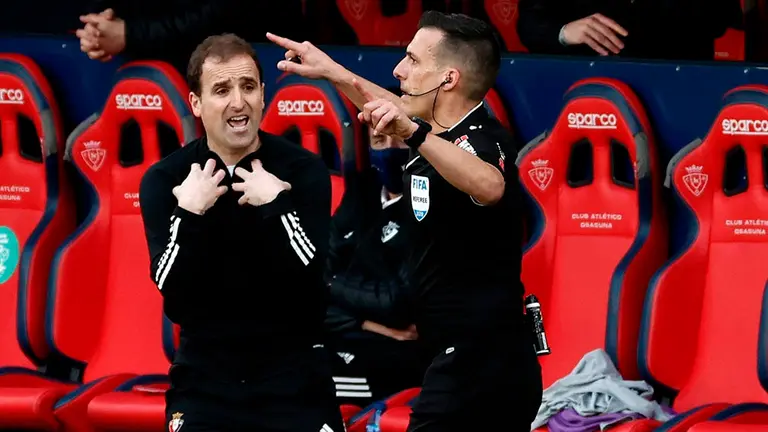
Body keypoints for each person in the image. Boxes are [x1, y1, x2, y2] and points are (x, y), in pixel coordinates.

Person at [268, 10, 543, 431]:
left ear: (447, 79)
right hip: (456, 357)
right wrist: (335, 73)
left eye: (413, 61)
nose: (399, 69)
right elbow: (395, 108)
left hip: (485, 362)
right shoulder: (440, 131)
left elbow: (489, 185)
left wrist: (413, 133)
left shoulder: (485, 139)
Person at [138, 34, 343, 432]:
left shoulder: (303, 171)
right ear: (196, 103)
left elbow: (314, 279)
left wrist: (276, 207)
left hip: (294, 378)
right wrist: (188, 214)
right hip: (206, 381)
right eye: (221, 89)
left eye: (248, 86)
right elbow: (172, 291)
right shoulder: (166, 180)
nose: (238, 102)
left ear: (263, 95)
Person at [324, 111, 427, 406]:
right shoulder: (361, 191)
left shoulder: (428, 203)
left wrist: (331, 286)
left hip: (402, 357)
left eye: (400, 140)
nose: (389, 150)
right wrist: (371, 324)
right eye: (379, 141)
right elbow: (310, 282)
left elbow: (399, 304)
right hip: (359, 336)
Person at [516, 0, 741, 61]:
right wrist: (563, 32)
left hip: (676, 86)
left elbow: (720, 18)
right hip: (586, 88)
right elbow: (528, 23)